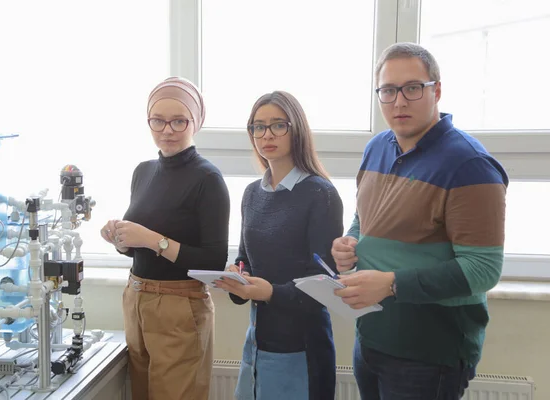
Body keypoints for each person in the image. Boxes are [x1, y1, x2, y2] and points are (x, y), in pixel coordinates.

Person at [331, 42, 509, 400]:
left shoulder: (468, 164)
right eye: (388, 90)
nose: (398, 102)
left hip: (430, 353)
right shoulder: (377, 147)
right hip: (372, 337)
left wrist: (393, 284)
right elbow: (362, 220)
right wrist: (348, 244)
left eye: (412, 88)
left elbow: (483, 269)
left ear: (436, 91)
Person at [100, 77, 230, 400]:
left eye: (178, 120)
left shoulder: (208, 179)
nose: (167, 130)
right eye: (158, 120)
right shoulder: (142, 172)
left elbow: (213, 262)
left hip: (179, 306)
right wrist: (122, 240)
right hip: (136, 298)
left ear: (194, 123)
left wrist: (153, 239)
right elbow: (140, 250)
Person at [215, 91, 343, 400]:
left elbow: (324, 284)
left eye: (277, 125)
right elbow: (246, 257)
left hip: (302, 346)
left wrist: (269, 291)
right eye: (258, 127)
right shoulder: (251, 194)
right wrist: (237, 274)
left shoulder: (320, 194)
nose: (266, 135)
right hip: (258, 342)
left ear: (296, 129)